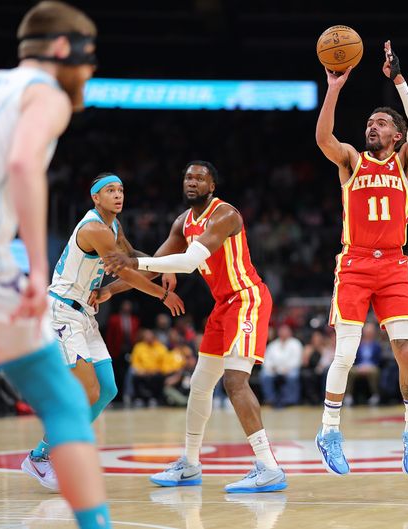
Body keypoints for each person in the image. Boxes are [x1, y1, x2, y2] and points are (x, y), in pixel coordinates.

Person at [0, 2, 116, 527]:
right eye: (89, 56)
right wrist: (37, 267)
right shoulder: (45, 93)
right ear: (62, 49)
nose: (91, 69)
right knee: (63, 401)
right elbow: (20, 163)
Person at [98, 160, 286, 493]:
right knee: (199, 385)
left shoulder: (225, 215)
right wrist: (109, 290)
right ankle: (190, 463)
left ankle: (269, 467)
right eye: (188, 176)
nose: (192, 181)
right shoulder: (183, 223)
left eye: (200, 178)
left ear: (212, 186)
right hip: (222, 306)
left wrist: (133, 260)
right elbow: (154, 269)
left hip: (247, 299)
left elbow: (186, 263)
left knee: (234, 381)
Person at [22, 173, 184, 489]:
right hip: (63, 310)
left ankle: (55, 451)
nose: (117, 195)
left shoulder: (114, 227)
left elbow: (133, 259)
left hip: (87, 313)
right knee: (87, 391)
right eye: (110, 190)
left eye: (121, 189)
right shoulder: (94, 228)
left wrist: (165, 266)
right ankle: (42, 456)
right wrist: (162, 294)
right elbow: (126, 270)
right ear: (95, 197)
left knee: (107, 389)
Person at [314, 40, 408, 476]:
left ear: (395, 135)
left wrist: (397, 80)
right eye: (370, 121)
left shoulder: (405, 163)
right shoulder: (351, 161)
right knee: (345, 354)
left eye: (380, 122)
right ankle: (329, 431)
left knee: (404, 349)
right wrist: (334, 87)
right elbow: (324, 137)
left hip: (394, 265)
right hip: (355, 264)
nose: (372, 126)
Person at [260, 325, 303, 408]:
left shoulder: (295, 343)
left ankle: (290, 400)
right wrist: (271, 367)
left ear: (290, 333)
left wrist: (286, 368)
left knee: (293, 376)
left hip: (290, 368)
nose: (283, 333)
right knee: (264, 375)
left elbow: (297, 360)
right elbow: (266, 359)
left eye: (285, 331)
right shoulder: (273, 345)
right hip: (274, 369)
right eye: (281, 331)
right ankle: (270, 399)